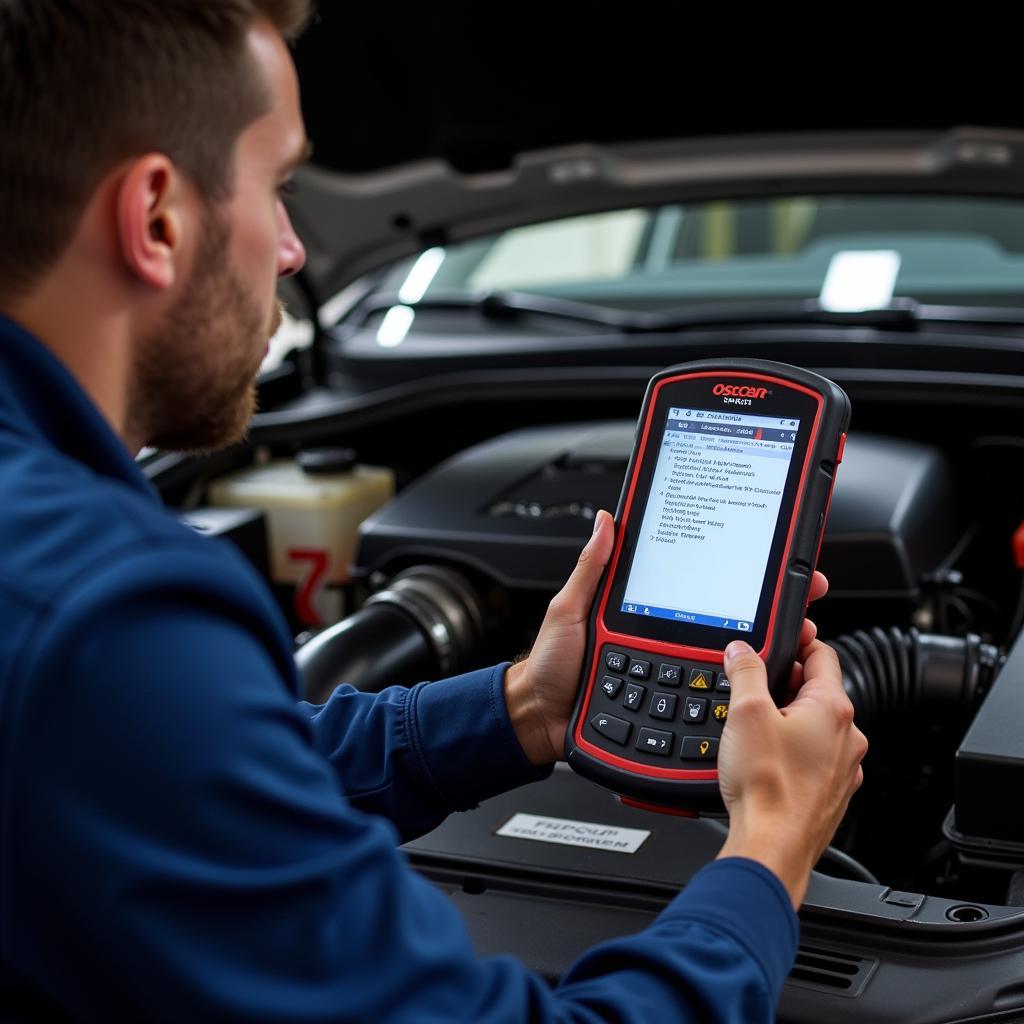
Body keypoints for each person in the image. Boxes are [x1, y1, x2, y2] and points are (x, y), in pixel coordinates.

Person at [0, 2, 867, 1020]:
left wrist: (525, 707)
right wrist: (768, 848)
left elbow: (174, 776)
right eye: (279, 188)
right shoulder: (108, 617)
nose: (289, 249)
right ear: (156, 218)